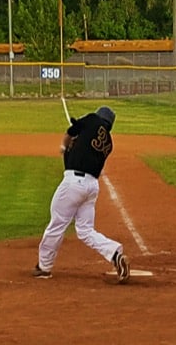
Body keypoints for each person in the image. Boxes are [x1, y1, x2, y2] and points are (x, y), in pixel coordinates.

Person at [33, 105, 129, 283]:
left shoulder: (92, 119)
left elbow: (71, 131)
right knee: (85, 230)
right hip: (92, 187)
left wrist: (64, 146)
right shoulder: (109, 143)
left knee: (56, 224)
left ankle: (44, 267)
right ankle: (114, 252)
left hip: (74, 183)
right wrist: (73, 146)